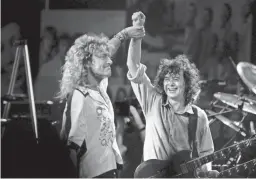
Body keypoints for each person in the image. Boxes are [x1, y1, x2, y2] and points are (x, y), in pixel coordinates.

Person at [127, 11, 218, 178]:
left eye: (175, 79)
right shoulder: (153, 101)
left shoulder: (199, 116)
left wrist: (206, 174)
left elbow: (206, 154)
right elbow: (133, 65)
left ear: (187, 84)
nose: (170, 83)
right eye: (167, 79)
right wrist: (137, 32)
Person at [57, 26, 145, 178]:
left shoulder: (99, 88)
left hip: (110, 172)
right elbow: (71, 149)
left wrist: (125, 34)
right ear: (87, 63)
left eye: (108, 56)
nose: (110, 60)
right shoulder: (79, 96)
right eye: (103, 57)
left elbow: (108, 49)